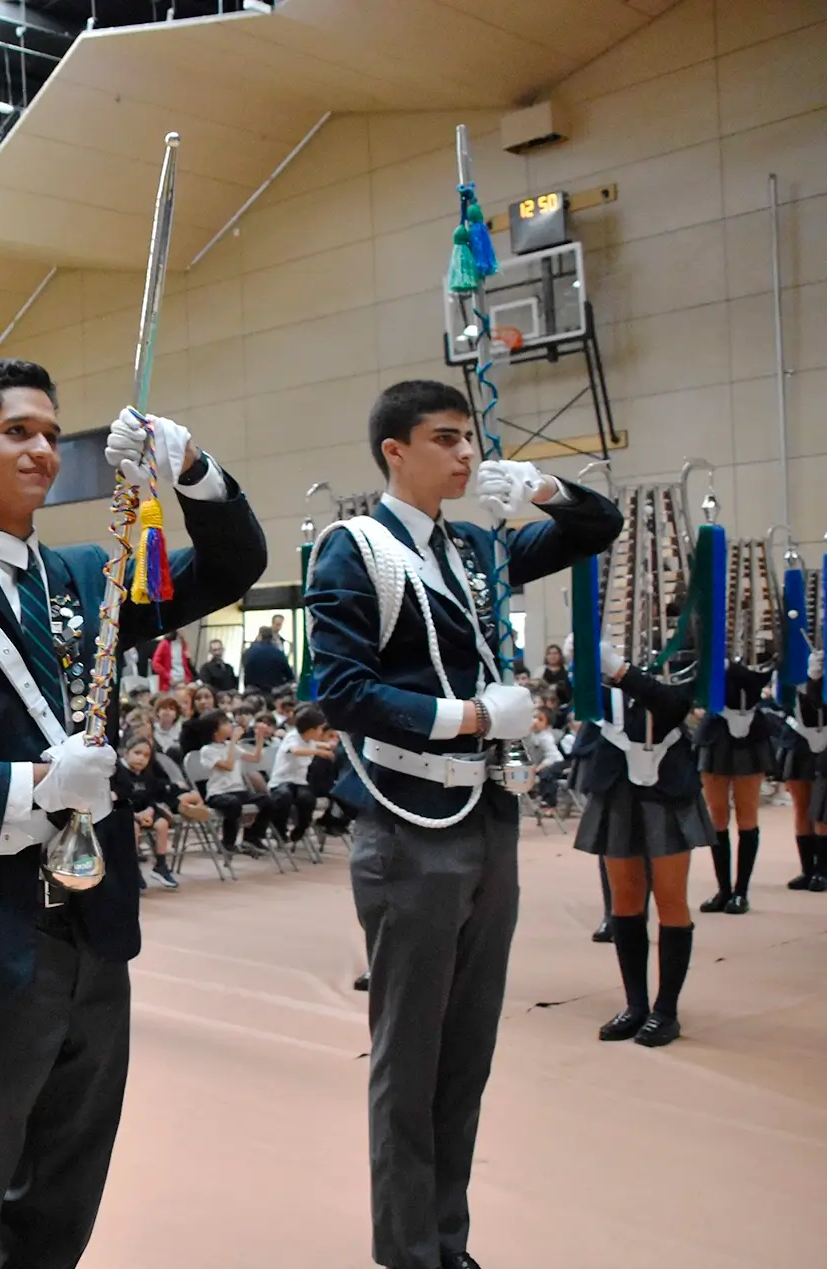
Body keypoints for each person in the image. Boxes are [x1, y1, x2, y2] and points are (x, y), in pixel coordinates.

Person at [0, 359, 266, 1269]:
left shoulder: (90, 577)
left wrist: (188, 465)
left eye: (49, 430)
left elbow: (236, 566)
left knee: (72, 1174)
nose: (42, 448)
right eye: (16, 431)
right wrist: (32, 783)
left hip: (93, 926)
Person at [306, 378, 622, 1269]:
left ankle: (448, 1238)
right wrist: (474, 717)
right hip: (409, 821)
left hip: (486, 815)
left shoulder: (477, 549)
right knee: (409, 1058)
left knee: (468, 1048)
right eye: (446, 439)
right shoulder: (357, 550)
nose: (467, 456)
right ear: (394, 452)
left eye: (471, 440)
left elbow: (600, 528)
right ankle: (408, 1250)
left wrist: (548, 492)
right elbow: (339, 691)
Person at [572, 639, 709, 1048]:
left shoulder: (683, 646)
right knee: (625, 901)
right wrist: (583, 663)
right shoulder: (604, 647)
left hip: (666, 782)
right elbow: (584, 707)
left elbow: (675, 704)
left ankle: (666, 1010)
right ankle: (636, 1004)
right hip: (616, 781)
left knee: (670, 898)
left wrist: (623, 673)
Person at [692, 653, 776, 915]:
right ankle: (724, 890)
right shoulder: (705, 633)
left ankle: (741, 891)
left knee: (747, 814)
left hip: (748, 732)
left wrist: (731, 666)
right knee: (716, 815)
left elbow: (762, 674)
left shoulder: (757, 645)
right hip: (716, 732)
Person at [777, 650, 827, 891]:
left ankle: (823, 870)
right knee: (802, 806)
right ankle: (807, 869)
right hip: (798, 734)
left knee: (823, 808)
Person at [114, 735, 187, 889]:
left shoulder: (147, 774)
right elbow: (117, 799)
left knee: (162, 824)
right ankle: (132, 869)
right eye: (137, 753)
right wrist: (135, 816)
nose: (142, 758)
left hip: (144, 812)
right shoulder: (118, 773)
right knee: (133, 827)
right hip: (124, 813)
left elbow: (152, 798)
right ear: (126, 753)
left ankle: (160, 866)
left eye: (146, 755)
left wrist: (149, 811)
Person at [199, 712, 270, 854]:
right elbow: (228, 765)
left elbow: (255, 758)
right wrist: (233, 742)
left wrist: (260, 736)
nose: (230, 725)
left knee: (267, 800)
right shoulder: (208, 750)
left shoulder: (230, 746)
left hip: (238, 790)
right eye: (225, 723)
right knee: (233, 804)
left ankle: (251, 837)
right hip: (218, 793)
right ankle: (228, 842)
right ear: (215, 731)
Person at [267, 703, 331, 846]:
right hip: (281, 782)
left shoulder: (309, 741)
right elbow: (296, 750)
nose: (322, 732)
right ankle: (279, 830)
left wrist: (328, 747)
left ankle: (300, 830)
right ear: (311, 730)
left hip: (299, 782)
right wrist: (319, 752)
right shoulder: (292, 737)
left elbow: (316, 745)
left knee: (307, 799)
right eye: (320, 728)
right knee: (284, 797)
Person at [241, 624, 294, 695]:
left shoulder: (249, 653)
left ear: (260, 636)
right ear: (272, 637)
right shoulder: (278, 653)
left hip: (254, 694)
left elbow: (246, 669)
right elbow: (290, 676)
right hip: (274, 693)